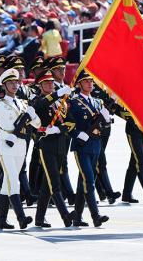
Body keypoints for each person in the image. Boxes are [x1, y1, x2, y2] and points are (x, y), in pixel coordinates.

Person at [0, 68, 40, 230]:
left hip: (21, 145)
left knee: (9, 183)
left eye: (16, 82)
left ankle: (2, 220)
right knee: (13, 180)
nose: (15, 85)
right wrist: (3, 135)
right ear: (4, 85)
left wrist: (33, 115)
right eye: (10, 82)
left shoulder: (23, 104)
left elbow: (37, 125)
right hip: (6, 145)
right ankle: (21, 218)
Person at [32, 69, 76, 227]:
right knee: (54, 182)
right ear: (40, 86)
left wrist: (59, 129)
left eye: (51, 82)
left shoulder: (60, 103)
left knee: (47, 183)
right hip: (46, 145)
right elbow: (42, 106)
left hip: (61, 144)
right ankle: (65, 215)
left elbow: (71, 121)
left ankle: (39, 218)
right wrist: (57, 94)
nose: (50, 85)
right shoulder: (38, 100)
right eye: (46, 83)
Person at [68, 71, 110, 227]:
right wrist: (78, 134)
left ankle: (77, 216)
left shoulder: (98, 102)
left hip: (95, 145)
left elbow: (104, 126)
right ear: (79, 84)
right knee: (89, 181)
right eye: (86, 81)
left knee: (83, 181)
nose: (90, 84)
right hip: (82, 146)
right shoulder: (74, 101)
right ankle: (95, 216)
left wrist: (106, 119)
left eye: (91, 81)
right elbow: (68, 123)